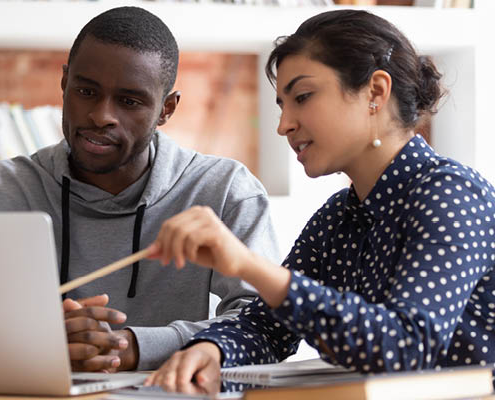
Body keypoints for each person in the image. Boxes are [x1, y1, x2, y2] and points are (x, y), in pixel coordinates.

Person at [145, 9, 495, 394]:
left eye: (303, 96)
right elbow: (268, 327)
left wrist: (248, 265)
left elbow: (407, 347)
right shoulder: (336, 217)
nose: (284, 125)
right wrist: (214, 350)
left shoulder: (452, 193)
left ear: (376, 92)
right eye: (281, 105)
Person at [0, 6, 279, 372]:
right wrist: (36, 338)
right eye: (86, 91)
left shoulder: (224, 191)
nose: (101, 116)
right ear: (64, 84)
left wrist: (134, 347)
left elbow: (265, 326)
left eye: (129, 101)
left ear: (166, 109)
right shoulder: (3, 189)